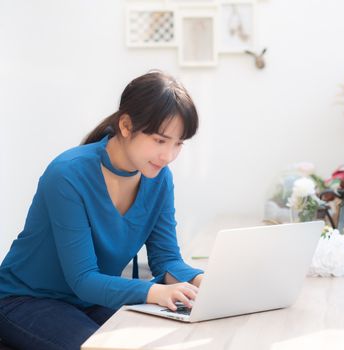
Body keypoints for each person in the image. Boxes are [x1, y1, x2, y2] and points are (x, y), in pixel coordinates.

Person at [0, 71, 204, 350]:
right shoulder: (67, 175)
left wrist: (199, 280)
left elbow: (167, 259)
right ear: (126, 125)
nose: (168, 156)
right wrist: (155, 291)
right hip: (27, 300)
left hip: (92, 300)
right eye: (159, 140)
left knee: (172, 340)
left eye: (178, 143)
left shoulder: (159, 178)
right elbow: (83, 279)